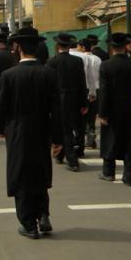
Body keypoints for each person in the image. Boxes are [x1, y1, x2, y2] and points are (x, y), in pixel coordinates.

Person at [0, 27, 62, 239]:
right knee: (41, 171)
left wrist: (0, 129)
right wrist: (57, 138)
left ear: (19, 47)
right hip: (42, 128)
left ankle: (28, 223)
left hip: (17, 129)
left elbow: (1, 107)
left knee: (21, 174)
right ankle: (43, 215)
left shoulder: (9, 75)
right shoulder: (49, 73)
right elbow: (56, 109)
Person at [97, 33, 131, 185]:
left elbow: (104, 91)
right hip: (130, 106)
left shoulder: (106, 65)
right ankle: (129, 174)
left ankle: (109, 172)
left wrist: (103, 113)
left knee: (110, 138)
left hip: (112, 107)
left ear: (112, 48)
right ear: (125, 47)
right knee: (130, 140)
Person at [46, 33, 88, 171]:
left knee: (63, 130)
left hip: (58, 100)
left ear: (57, 46)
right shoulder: (77, 61)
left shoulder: (51, 62)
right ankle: (62, 154)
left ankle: (72, 160)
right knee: (70, 128)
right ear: (69, 46)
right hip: (74, 100)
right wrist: (84, 103)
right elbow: (82, 83)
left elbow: (49, 85)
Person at [77, 39, 102, 149]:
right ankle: (91, 134)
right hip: (97, 89)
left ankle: (86, 136)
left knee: (83, 116)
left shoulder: (81, 58)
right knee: (92, 116)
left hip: (86, 89)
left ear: (82, 47)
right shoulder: (97, 59)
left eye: (78, 47)